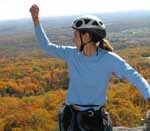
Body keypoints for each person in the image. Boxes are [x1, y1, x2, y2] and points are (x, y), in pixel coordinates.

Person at [29, 4, 150, 131]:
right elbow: (46, 46)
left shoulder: (109, 59)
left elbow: (134, 76)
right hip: (70, 119)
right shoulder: (71, 54)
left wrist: (148, 94)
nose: (73, 39)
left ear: (86, 37)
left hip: (94, 122)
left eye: (76, 35)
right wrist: (36, 20)